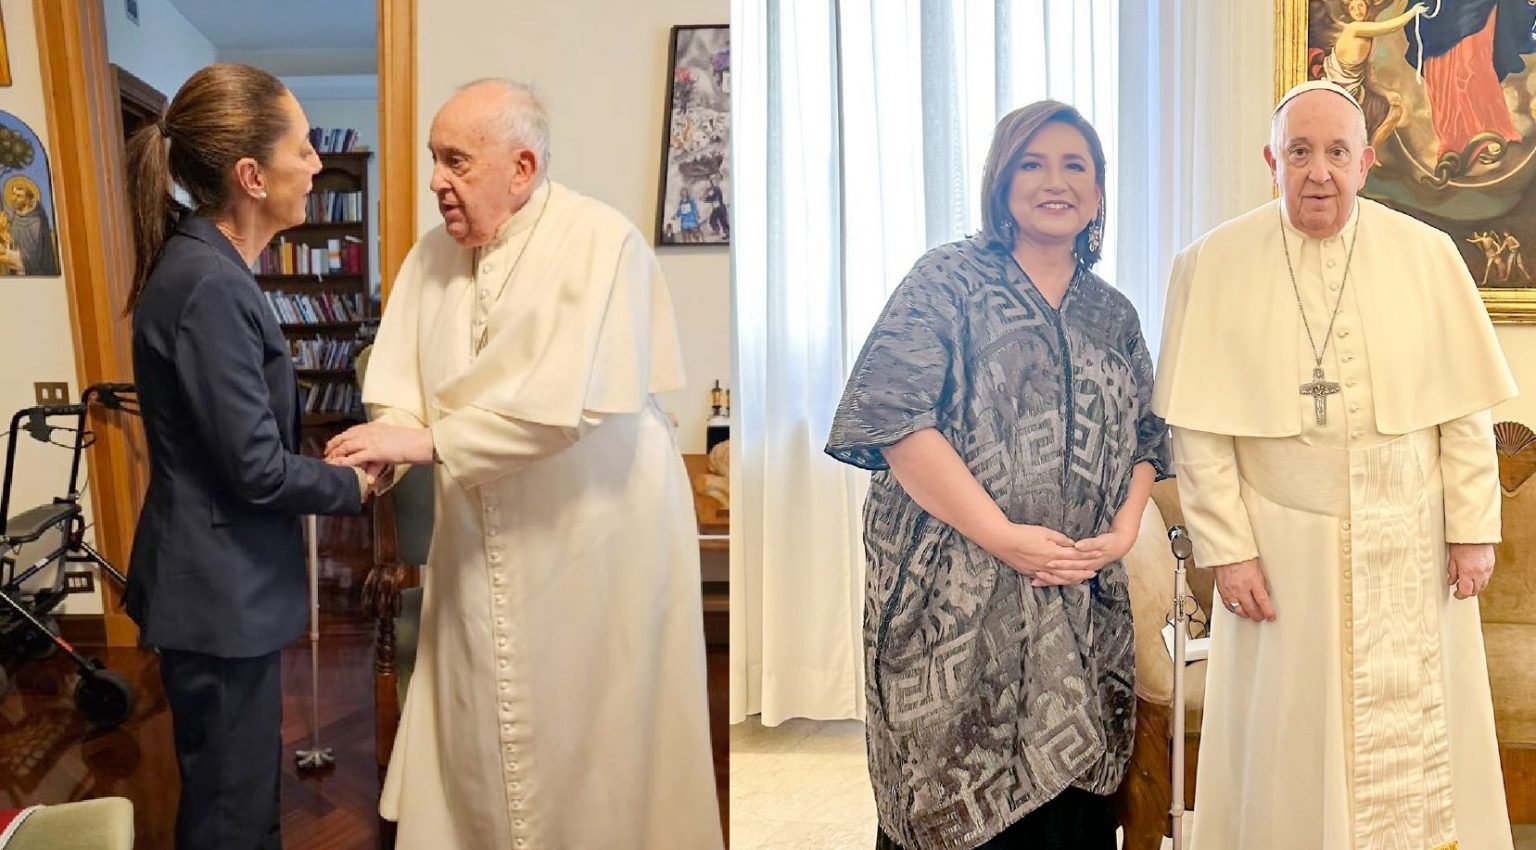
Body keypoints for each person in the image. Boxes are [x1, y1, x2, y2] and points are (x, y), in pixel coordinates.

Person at [323, 79, 722, 850]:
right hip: (480, 530)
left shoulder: (599, 242)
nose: (435, 180)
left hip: (596, 529)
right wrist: (383, 450)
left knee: (588, 718)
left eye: (455, 161)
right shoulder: (430, 256)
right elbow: (402, 391)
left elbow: (565, 408)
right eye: (433, 159)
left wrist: (427, 444)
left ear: (522, 166)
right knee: (479, 703)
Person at [1154, 80, 1517, 850]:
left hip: (1413, 543)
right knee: (1290, 743)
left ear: (1365, 162)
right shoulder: (1212, 263)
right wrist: (1229, 552)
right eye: (1299, 152)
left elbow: (1464, 415)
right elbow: (1200, 433)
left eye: (1336, 152)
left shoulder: (1427, 255)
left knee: (1425, 744)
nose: (1318, 171)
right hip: (1286, 554)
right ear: (1271, 162)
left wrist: (1472, 532)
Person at [824, 100, 1170, 850]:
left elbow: (1149, 438)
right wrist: (1004, 536)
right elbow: (897, 422)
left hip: (1077, 592)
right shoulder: (944, 280)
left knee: (1072, 805)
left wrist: (1120, 533)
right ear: (1000, 179)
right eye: (1032, 163)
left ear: (1099, 190)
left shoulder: (1113, 315)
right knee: (950, 796)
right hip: (954, 587)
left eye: (1075, 166)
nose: (1055, 181)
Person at [122, 63, 374, 850]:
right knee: (231, 816)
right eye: (302, 148)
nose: (316, 164)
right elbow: (256, 469)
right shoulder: (209, 284)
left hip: (219, 587)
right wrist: (353, 485)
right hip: (216, 595)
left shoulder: (209, 268)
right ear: (252, 176)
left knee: (238, 794)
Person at [5, 176, 59, 276]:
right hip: (17, 272)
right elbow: (14, 243)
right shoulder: (15, 219)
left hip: (35, 272)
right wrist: (9, 243)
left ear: (27, 200)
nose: (14, 198)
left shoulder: (37, 221)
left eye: (18, 196)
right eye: (13, 194)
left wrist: (9, 255)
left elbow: (35, 258)